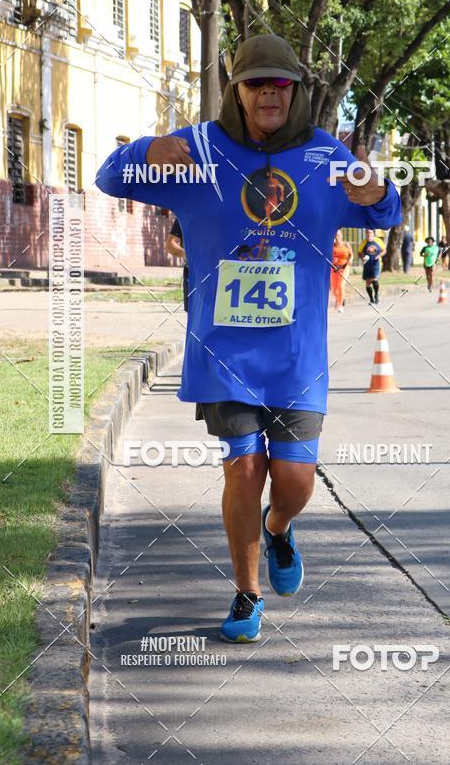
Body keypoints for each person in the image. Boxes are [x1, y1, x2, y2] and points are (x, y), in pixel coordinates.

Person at [95, 34, 402, 643]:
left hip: (296, 357)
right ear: (236, 88)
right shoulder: (198, 149)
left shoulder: (322, 155)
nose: (269, 93)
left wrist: (378, 190)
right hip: (224, 353)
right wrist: (147, 148)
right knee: (242, 467)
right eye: (256, 82)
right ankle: (245, 592)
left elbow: (383, 211)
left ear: (297, 92)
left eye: (281, 84)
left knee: (294, 484)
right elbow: (110, 176)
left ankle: (279, 529)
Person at [165, 218, 189, 312]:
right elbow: (170, 243)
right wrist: (187, 255)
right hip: (193, 276)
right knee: (194, 318)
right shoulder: (186, 213)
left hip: (222, 273)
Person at [330, 230, 353, 312]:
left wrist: (350, 260)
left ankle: (340, 305)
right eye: (335, 235)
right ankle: (337, 298)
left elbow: (351, 255)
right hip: (334, 268)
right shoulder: (331, 246)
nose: (337, 236)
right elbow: (328, 257)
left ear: (341, 236)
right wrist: (332, 260)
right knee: (334, 289)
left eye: (338, 235)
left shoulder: (346, 245)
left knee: (341, 285)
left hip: (344, 267)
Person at [359, 231, 384, 303]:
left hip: (376, 264)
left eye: (370, 233)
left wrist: (379, 255)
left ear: (373, 234)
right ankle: (371, 298)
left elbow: (384, 250)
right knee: (368, 282)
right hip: (367, 264)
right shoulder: (363, 242)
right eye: (367, 233)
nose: (368, 234)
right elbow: (359, 252)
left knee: (374, 280)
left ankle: (376, 295)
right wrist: (362, 257)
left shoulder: (378, 241)